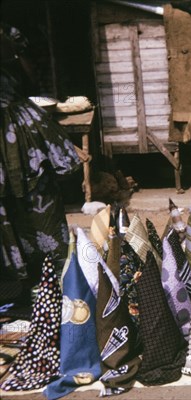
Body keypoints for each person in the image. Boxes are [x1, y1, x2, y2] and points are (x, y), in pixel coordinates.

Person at [0, 24, 81, 304]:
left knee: (38, 206)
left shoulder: (9, 36)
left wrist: (11, 51)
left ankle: (57, 286)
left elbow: (28, 78)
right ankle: (21, 290)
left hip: (19, 132)